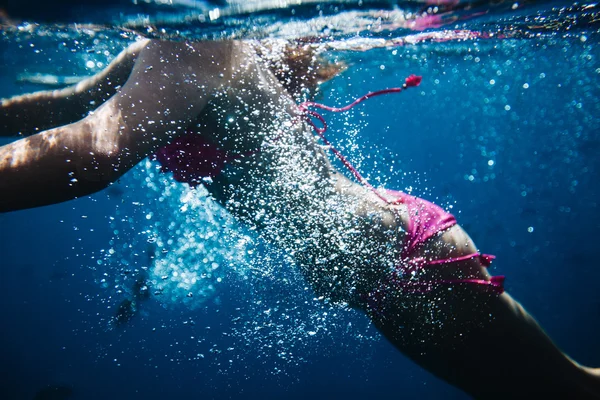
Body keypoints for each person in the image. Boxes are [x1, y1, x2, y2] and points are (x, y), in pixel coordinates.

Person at [1, 39, 599, 399]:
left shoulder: (195, 50)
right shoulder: (155, 51)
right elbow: (67, 106)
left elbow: (95, 151)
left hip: (405, 261)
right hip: (383, 277)